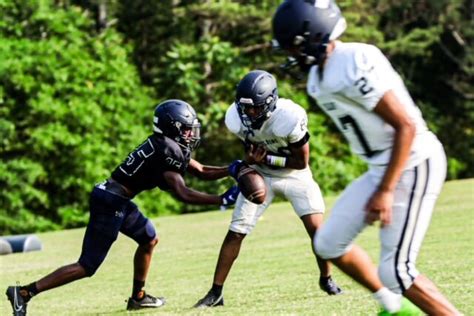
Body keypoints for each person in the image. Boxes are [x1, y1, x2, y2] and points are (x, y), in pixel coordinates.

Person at [272, 1, 461, 315]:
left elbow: (406, 126)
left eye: (294, 47)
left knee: (396, 270)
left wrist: (385, 191)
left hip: (414, 161)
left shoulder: (353, 61)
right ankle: (394, 306)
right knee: (328, 244)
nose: (291, 55)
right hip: (381, 167)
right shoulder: (319, 77)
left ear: (314, 35)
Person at [5, 99, 240, 316]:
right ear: (173, 127)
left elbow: (200, 170)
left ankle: (138, 297)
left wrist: (234, 169)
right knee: (87, 265)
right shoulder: (167, 150)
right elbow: (183, 193)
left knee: (149, 238)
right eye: (187, 128)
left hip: (116, 198)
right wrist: (221, 200)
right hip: (111, 202)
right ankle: (24, 293)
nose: (191, 134)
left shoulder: (165, 144)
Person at [194, 70, 342, 308]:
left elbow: (300, 162)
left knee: (317, 230)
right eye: (246, 108)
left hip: (295, 175)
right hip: (261, 175)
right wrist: (253, 161)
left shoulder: (289, 117)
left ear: (271, 101)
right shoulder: (236, 118)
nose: (250, 113)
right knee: (236, 231)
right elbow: (251, 153)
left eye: (256, 107)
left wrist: (266, 160)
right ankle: (216, 292)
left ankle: (327, 279)